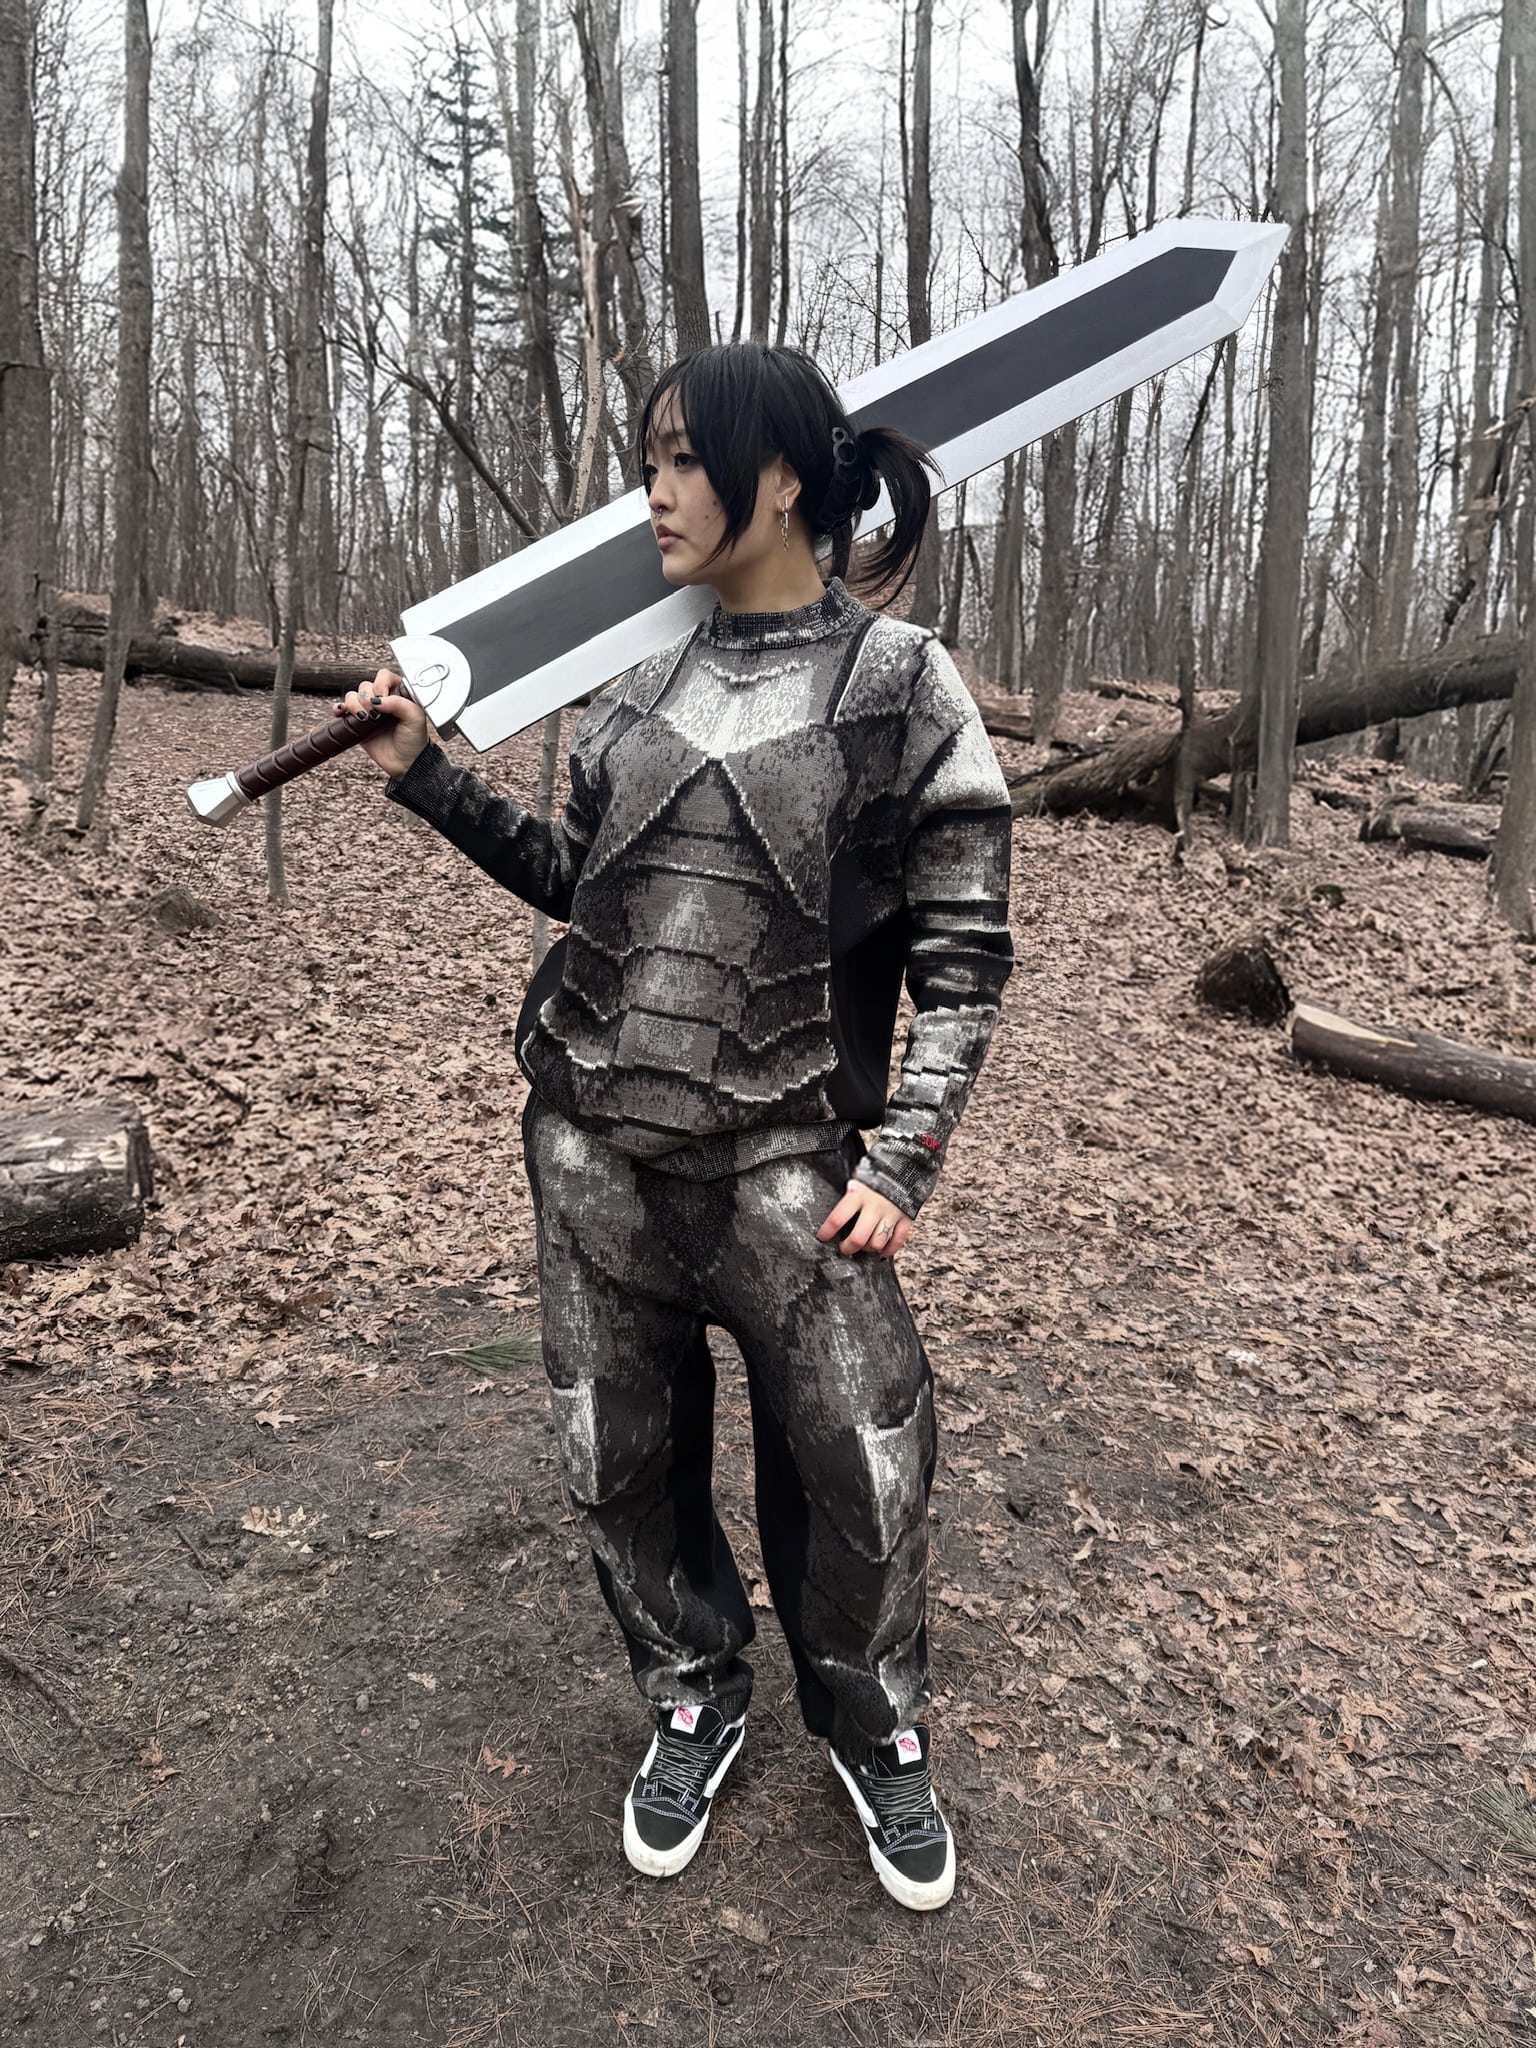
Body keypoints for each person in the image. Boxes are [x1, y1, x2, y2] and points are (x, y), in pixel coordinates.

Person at [339, 342, 1014, 1913]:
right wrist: (429, 780)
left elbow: (965, 955)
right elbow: (579, 888)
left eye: (679, 459)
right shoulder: (633, 681)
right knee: (614, 1457)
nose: (651, 491)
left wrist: (906, 1155)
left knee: (868, 1461)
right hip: (593, 1151)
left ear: (776, 478)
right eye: (647, 460)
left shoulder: (900, 686)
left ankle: (875, 1724)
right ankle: (694, 1691)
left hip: (791, 1167)